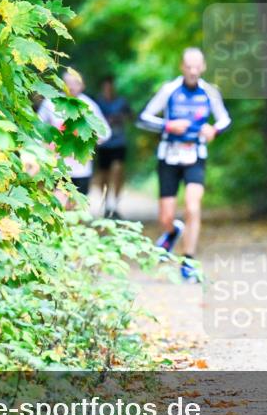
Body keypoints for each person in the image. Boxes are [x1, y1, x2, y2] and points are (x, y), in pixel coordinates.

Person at [138, 48, 231, 282]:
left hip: (195, 154)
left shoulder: (209, 92)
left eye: (197, 66)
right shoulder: (169, 90)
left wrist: (215, 130)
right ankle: (172, 231)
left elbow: (225, 119)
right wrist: (167, 125)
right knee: (165, 217)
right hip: (169, 155)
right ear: (182, 67)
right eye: (188, 66)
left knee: (193, 207)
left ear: (203, 67)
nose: (192, 71)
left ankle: (188, 261)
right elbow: (143, 118)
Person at [32, 67, 111, 199]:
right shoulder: (51, 102)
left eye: (76, 83)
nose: (72, 86)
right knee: (59, 206)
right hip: (56, 166)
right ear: (62, 84)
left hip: (81, 168)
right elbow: (36, 129)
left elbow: (106, 132)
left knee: (76, 209)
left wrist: (90, 139)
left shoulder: (89, 106)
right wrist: (44, 146)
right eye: (68, 82)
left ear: (83, 85)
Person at [93, 75, 132, 219]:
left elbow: (130, 116)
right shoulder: (97, 102)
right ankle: (106, 205)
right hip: (103, 144)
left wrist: (119, 118)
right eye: (106, 88)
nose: (108, 90)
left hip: (119, 143)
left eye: (110, 87)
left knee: (118, 170)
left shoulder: (122, 102)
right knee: (104, 175)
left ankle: (115, 204)